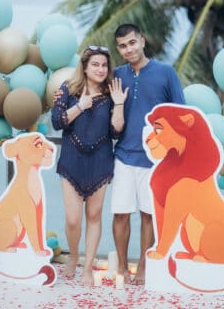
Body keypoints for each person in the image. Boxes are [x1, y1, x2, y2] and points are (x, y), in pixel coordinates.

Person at [111, 24, 185, 285]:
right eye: (122, 45)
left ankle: (144, 267)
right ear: (118, 49)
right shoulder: (116, 75)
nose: (128, 49)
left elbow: (179, 114)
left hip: (155, 160)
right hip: (123, 156)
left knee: (148, 215)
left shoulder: (165, 73)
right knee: (120, 213)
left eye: (132, 43)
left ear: (142, 41)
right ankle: (121, 267)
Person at [51, 46, 128, 287]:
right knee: (73, 220)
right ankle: (73, 255)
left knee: (94, 216)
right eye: (95, 64)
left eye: (104, 65)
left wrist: (119, 104)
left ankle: (87, 267)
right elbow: (57, 122)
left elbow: (116, 132)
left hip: (101, 161)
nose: (100, 69)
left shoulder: (110, 93)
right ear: (84, 66)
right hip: (72, 159)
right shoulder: (68, 88)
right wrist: (80, 106)